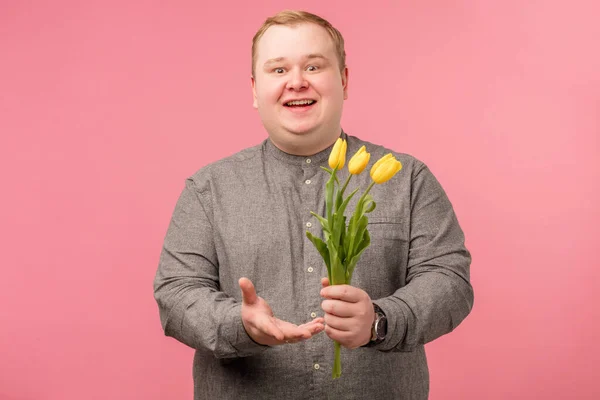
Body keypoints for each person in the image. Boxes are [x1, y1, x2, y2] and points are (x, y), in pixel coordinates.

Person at [153, 9, 473, 400]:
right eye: (278, 70)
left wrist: (379, 321)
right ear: (255, 90)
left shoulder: (407, 178)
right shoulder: (208, 189)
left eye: (314, 66)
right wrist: (239, 323)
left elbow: (449, 280)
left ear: (344, 80)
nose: (297, 82)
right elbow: (176, 292)